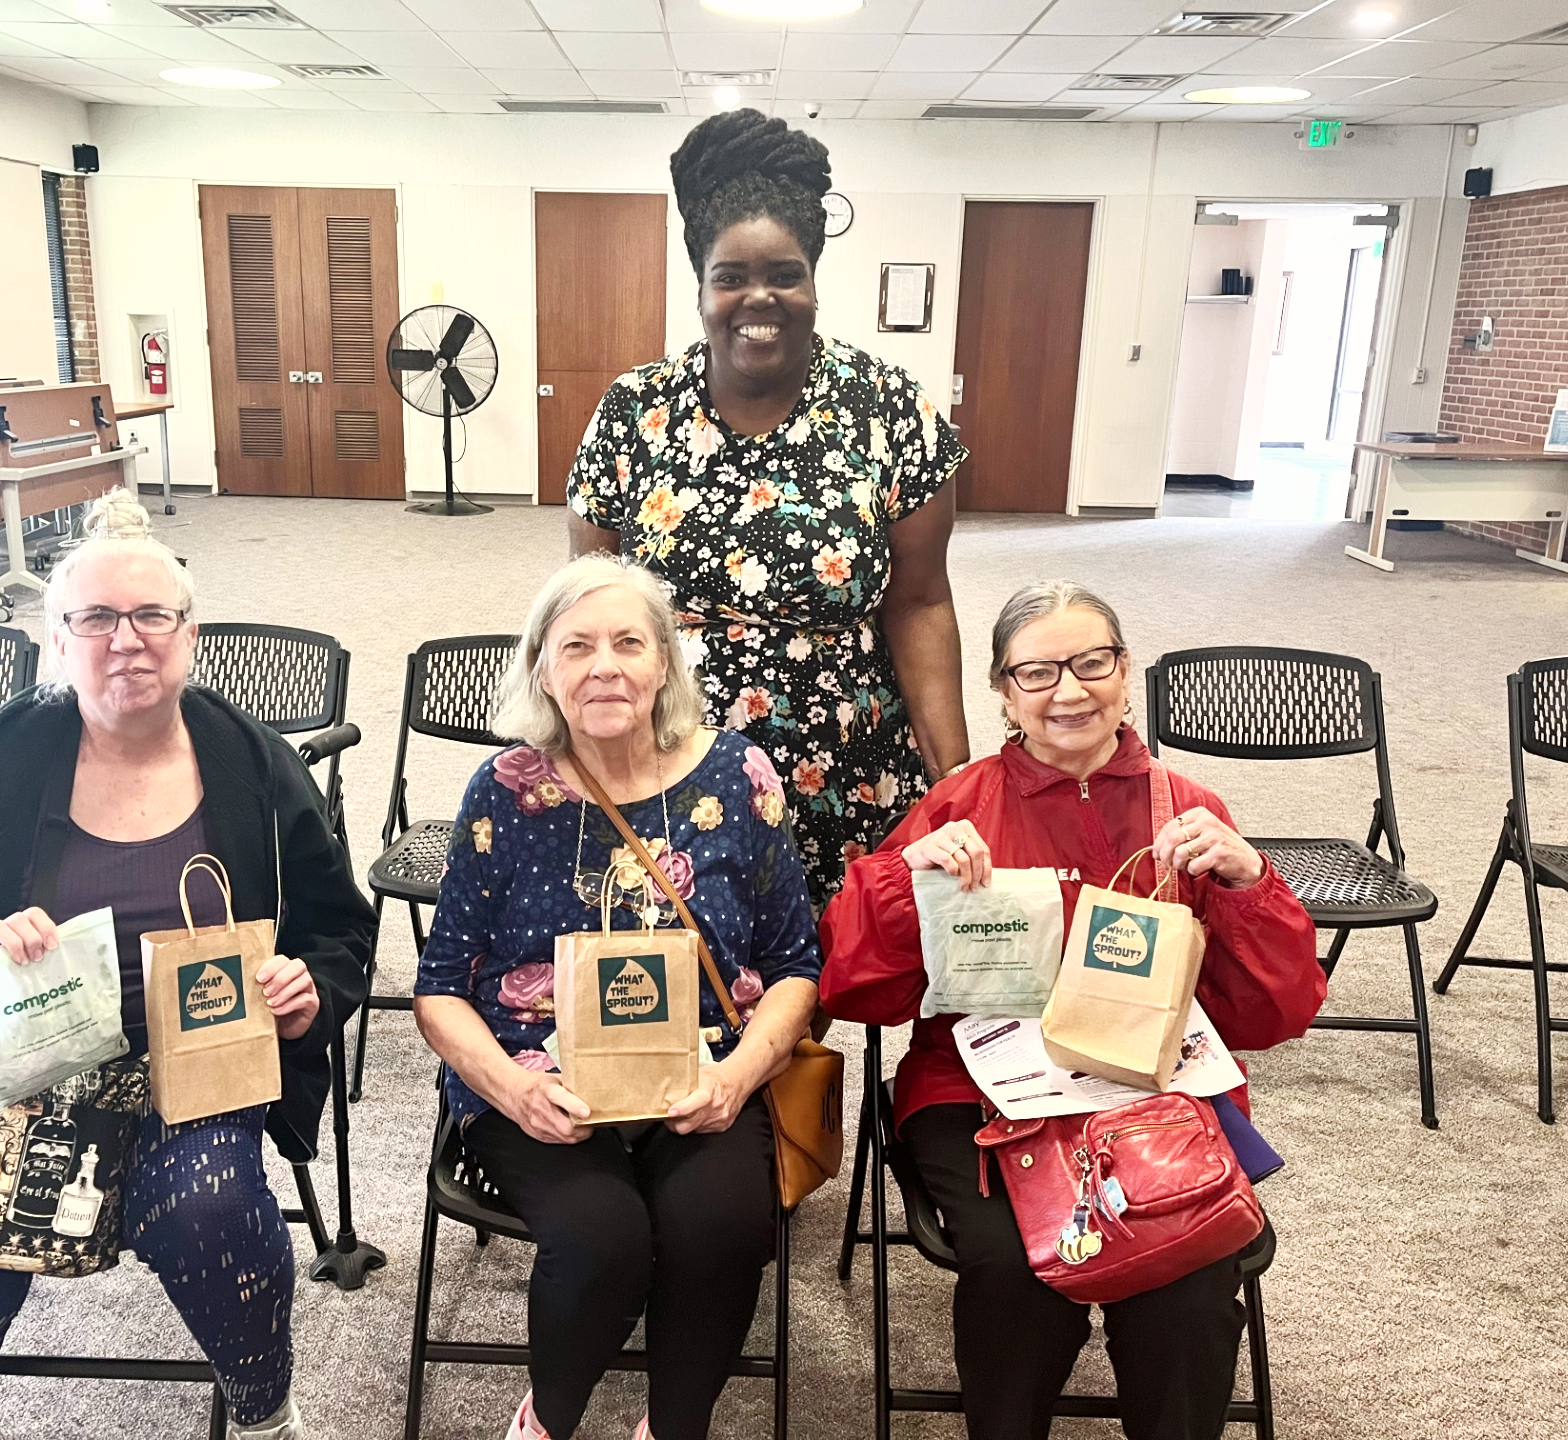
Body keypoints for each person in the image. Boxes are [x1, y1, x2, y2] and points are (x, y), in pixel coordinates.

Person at [0, 489, 375, 1440]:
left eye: (153, 615)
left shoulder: (250, 763)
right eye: (97, 619)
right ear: (56, 638)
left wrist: (308, 992)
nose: (128, 641)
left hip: (191, 1068)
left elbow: (339, 929)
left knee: (218, 1216)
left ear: (190, 633)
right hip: (0, 1078)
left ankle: (263, 1416)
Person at [819, 580, 1326, 1440]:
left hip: (1152, 1091)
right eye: (1037, 672)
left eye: (1092, 663)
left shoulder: (1189, 812)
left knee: (1190, 1272)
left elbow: (1269, 1017)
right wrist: (907, 878)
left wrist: (1249, 883)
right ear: (1003, 691)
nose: (1068, 691)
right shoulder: (960, 806)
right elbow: (857, 987)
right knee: (1016, 1267)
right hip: (980, 1092)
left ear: (1125, 672)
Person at [413, 555, 821, 1440]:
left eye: (629, 643)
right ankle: (548, 1421)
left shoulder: (739, 775)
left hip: (705, 1070)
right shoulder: (504, 791)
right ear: (542, 669)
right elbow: (439, 989)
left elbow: (796, 966)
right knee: (603, 1241)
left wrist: (737, 1079)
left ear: (665, 661)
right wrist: (513, 1089)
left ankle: (673, 1427)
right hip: (537, 1075)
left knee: (722, 1228)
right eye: (577, 647)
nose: (605, 667)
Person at [568, 108, 969, 905]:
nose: (759, 296)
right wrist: (582, 758)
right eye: (731, 277)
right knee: (678, 955)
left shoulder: (889, 408)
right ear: (701, 288)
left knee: (837, 958)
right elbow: (588, 608)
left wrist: (956, 781)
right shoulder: (634, 411)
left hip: (846, 768)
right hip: (668, 762)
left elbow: (921, 601)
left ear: (814, 281)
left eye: (785, 273)